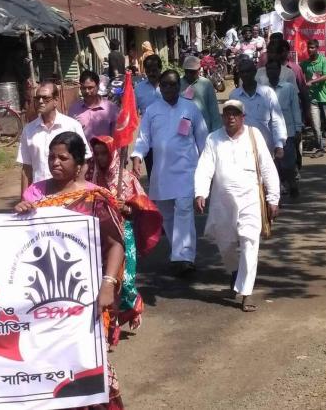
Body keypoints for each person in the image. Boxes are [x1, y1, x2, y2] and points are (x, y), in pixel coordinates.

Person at [14, 132, 126, 409]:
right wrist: (20, 213)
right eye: (52, 157)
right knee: (42, 366)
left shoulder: (95, 197)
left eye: (63, 158)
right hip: (39, 298)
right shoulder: (36, 194)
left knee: (85, 364)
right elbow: (18, 242)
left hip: (83, 297)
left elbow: (115, 244)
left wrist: (108, 284)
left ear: (79, 164)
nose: (55, 162)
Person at [194, 100, 279, 312]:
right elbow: (205, 167)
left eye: (235, 113)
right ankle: (234, 272)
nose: (231, 117)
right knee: (226, 245)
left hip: (250, 199)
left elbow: (267, 167)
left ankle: (246, 292)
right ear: (223, 117)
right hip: (222, 203)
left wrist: (273, 198)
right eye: (227, 113)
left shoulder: (254, 135)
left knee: (250, 243)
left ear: (243, 117)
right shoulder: (214, 138)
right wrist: (200, 192)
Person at [131, 70, 208, 276]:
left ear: (178, 87)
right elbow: (143, 138)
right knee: (166, 215)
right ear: (160, 87)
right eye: (164, 84)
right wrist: (137, 156)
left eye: (173, 85)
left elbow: (203, 139)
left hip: (186, 171)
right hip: (162, 172)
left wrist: (207, 168)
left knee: (184, 211)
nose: (168, 88)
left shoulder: (190, 108)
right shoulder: (152, 110)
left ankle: (184, 258)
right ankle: (179, 251)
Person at [87, 136, 162, 339]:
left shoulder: (127, 178)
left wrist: (126, 207)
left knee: (125, 280)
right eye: (97, 153)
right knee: (105, 280)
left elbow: (143, 208)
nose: (101, 158)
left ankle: (134, 305)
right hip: (98, 236)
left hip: (123, 232)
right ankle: (112, 327)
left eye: (105, 153)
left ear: (112, 154)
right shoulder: (89, 178)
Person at [17, 82, 90, 193]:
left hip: (68, 193)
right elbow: (26, 168)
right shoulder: (29, 130)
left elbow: (83, 161)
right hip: (39, 194)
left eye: (45, 98)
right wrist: (24, 197)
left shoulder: (72, 126)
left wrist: (79, 188)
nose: (40, 101)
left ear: (56, 100)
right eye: (37, 98)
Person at [229, 58, 287, 157]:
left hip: (265, 146)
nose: (245, 75)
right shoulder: (234, 96)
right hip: (242, 147)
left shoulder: (267, 93)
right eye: (242, 72)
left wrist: (279, 144)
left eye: (248, 71)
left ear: (254, 72)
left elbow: (277, 119)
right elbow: (231, 121)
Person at [263, 58, 301, 197]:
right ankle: (276, 193)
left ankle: (292, 184)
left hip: (288, 131)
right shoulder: (263, 90)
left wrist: (298, 128)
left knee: (288, 164)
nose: (272, 71)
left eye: (274, 69)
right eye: (269, 69)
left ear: (279, 71)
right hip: (268, 132)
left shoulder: (288, 88)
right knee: (273, 165)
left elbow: (295, 109)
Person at [301, 39, 326, 157]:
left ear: (317, 49)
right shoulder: (304, 64)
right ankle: (320, 148)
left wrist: (311, 82)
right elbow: (300, 76)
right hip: (313, 99)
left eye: (312, 48)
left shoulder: (324, 61)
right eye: (308, 48)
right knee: (316, 126)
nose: (310, 50)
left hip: (325, 98)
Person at [68, 70, 119, 141]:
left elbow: (118, 135)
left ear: (97, 87)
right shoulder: (74, 109)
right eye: (83, 88)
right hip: (82, 151)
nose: (87, 91)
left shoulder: (111, 108)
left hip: (105, 151)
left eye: (90, 88)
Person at [180, 55, 221, 132]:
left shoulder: (206, 83)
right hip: (183, 125)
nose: (189, 74)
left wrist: (216, 130)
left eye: (192, 72)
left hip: (203, 124)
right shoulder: (178, 83)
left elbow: (213, 108)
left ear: (199, 69)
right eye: (187, 71)